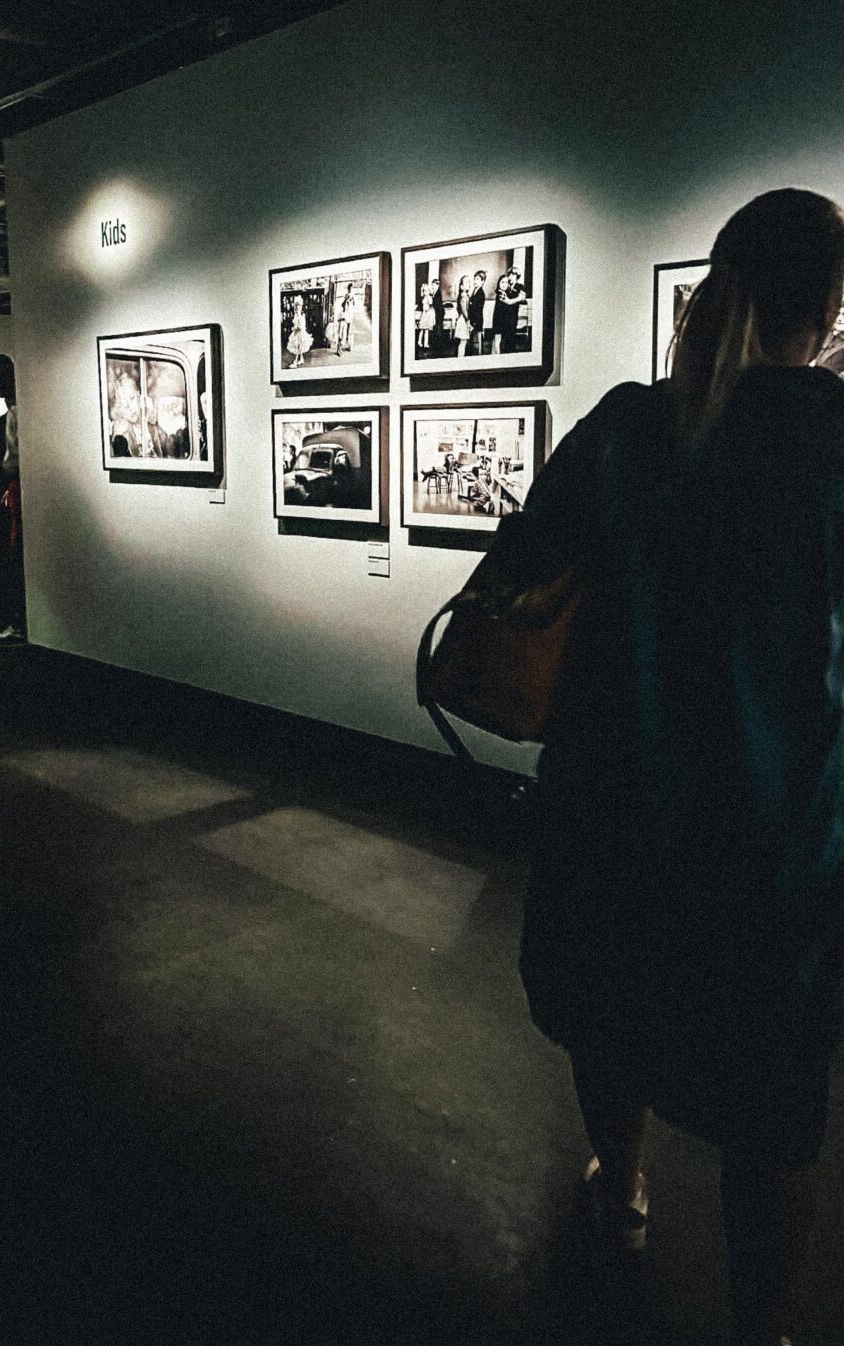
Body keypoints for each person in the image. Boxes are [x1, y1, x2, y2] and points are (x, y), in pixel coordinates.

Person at [517, 188, 844, 1346]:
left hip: (607, 811)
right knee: (771, 1116)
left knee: (607, 1021)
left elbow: (519, 578)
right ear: (827, 305)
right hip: (771, 838)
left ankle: (621, 1188)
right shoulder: (830, 443)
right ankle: (758, 1327)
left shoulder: (624, 427)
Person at [0, 353, 25, 643]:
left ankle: (20, 620)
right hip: (11, 489)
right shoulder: (7, 418)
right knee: (10, 554)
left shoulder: (17, 414)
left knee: (15, 553)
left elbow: (9, 461)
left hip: (17, 488)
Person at [286, 295, 313, 368]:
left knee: (297, 347)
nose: (296, 309)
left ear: (300, 308)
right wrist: (294, 328)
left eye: (298, 307)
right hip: (297, 332)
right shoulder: (296, 315)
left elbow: (301, 327)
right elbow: (296, 324)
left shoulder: (301, 316)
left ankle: (295, 362)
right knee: (299, 346)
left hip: (299, 333)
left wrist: (295, 329)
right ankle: (301, 359)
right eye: (295, 307)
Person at [453, 274, 473, 358]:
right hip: (463, 321)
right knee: (463, 342)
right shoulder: (464, 296)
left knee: (463, 342)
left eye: (469, 282)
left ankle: (460, 357)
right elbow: (464, 311)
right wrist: (468, 322)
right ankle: (460, 358)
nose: (469, 283)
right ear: (461, 286)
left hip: (462, 320)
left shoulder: (465, 295)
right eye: (467, 282)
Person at [469, 270, 488, 354]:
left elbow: (478, 310)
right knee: (471, 339)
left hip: (477, 320)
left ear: (482, 282)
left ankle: (479, 354)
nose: (475, 281)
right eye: (474, 279)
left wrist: (474, 323)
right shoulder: (474, 291)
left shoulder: (481, 293)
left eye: (477, 279)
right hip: (473, 319)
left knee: (477, 339)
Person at [335, 282, 355, 355]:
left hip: (349, 313)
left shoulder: (352, 295)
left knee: (349, 330)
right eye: (349, 288)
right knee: (342, 331)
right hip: (345, 314)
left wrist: (350, 303)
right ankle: (340, 347)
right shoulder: (346, 296)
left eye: (351, 288)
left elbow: (353, 304)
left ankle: (348, 344)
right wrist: (346, 301)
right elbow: (343, 304)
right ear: (348, 289)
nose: (350, 290)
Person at [416, 281, 435, 351]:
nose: (425, 292)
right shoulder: (424, 298)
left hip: (428, 315)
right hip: (425, 314)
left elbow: (430, 303)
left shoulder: (429, 298)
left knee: (426, 330)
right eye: (424, 291)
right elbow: (425, 307)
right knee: (422, 329)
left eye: (427, 290)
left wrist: (430, 297)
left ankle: (425, 343)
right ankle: (419, 342)